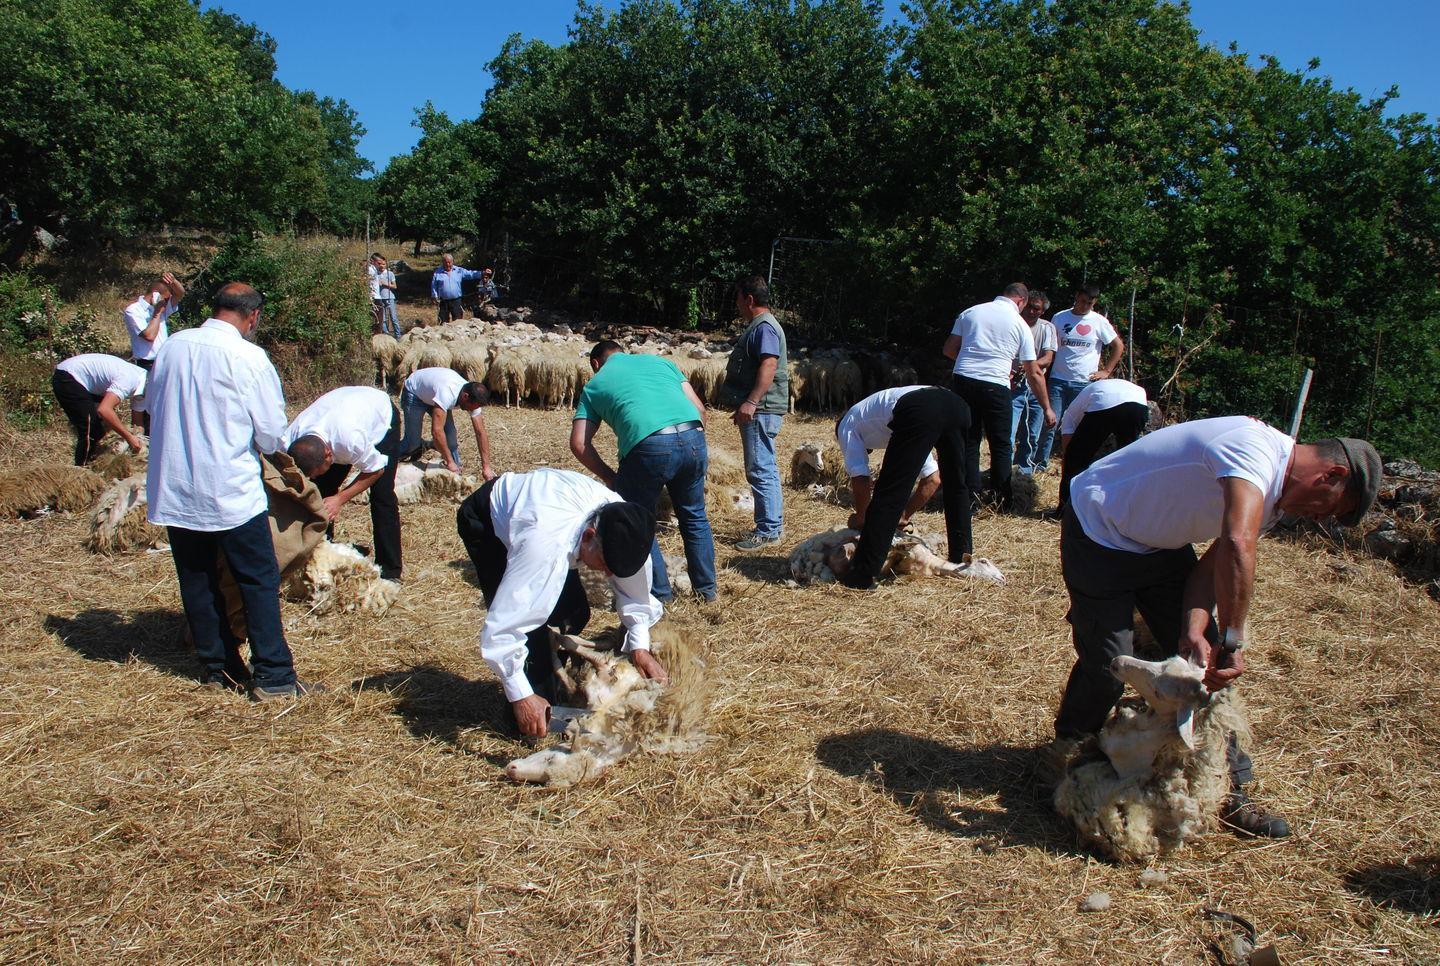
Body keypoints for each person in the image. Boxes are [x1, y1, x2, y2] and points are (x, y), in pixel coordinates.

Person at [1042, 416, 1382, 838]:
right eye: (1330, 508)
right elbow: (1238, 543)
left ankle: (1227, 788)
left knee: (1209, 670)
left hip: (1159, 547)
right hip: (1099, 530)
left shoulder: (1274, 503)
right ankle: (1069, 763)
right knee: (1108, 663)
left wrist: (1194, 630)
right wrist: (1235, 638)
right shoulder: (1253, 448)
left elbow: (1211, 569)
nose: (1318, 518)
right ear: (1333, 474)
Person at [145, 282, 317, 700]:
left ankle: (219, 669)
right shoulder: (248, 357)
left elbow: (150, 406)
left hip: (176, 487)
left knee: (198, 579)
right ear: (253, 316)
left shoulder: (172, 346)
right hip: (229, 491)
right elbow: (271, 434)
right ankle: (274, 677)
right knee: (256, 580)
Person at [455, 468, 666, 737]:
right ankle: (527, 716)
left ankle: (550, 676)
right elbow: (504, 630)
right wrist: (521, 695)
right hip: (488, 523)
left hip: (551, 512)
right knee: (532, 634)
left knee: (574, 613)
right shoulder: (544, 546)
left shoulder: (627, 528)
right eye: (605, 564)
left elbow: (635, 594)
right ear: (589, 536)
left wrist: (640, 648)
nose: (608, 575)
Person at [569, 340, 718, 603]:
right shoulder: (661, 363)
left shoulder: (595, 384)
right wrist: (690, 445)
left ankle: (660, 595)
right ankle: (706, 592)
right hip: (692, 435)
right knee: (694, 516)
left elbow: (579, 443)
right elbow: (700, 410)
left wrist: (609, 476)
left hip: (648, 445)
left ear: (595, 363)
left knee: (639, 522)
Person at [828, 386, 972, 590]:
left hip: (919, 407)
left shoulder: (846, 425)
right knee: (956, 485)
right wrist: (903, 516)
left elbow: (860, 478)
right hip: (957, 405)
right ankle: (962, 560)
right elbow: (934, 479)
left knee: (890, 492)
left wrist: (861, 518)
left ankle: (861, 576)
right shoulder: (889, 421)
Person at [942, 282, 1056, 510]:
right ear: (1021, 301)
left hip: (964, 380)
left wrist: (973, 361)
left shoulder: (971, 312)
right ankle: (1001, 501)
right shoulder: (1019, 324)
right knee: (1001, 443)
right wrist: (1046, 407)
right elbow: (1034, 372)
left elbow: (949, 349)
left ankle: (969, 498)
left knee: (969, 440)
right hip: (996, 384)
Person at [284, 386, 404, 581]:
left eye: (318, 470)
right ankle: (323, 551)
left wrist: (340, 499)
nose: (315, 476)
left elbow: (376, 470)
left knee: (382, 496)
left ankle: (390, 570)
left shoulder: (350, 440)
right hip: (344, 408)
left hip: (381, 416)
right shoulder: (292, 437)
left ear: (328, 455)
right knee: (321, 489)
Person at [718, 275, 789, 550]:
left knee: (760, 468)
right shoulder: (761, 326)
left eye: (738, 299)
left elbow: (769, 364)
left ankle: (768, 531)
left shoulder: (764, 327)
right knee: (764, 466)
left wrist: (751, 402)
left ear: (749, 299)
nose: (736, 305)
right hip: (760, 408)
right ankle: (772, 526)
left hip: (762, 409)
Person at [1036, 284, 1123, 467]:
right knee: (1050, 422)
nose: (1085, 306)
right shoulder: (1060, 317)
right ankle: (1040, 463)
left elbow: (1118, 346)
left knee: (1080, 427)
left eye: (1089, 303)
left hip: (1085, 382)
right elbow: (1050, 345)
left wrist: (1106, 371)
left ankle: (1075, 464)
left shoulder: (1098, 321)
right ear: (1076, 297)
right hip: (1058, 379)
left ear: (1094, 302)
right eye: (1082, 301)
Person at [1055, 378, 1149, 510]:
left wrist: (1068, 462)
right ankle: (1124, 509)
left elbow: (1068, 450)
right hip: (1139, 402)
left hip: (1105, 401)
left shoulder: (1069, 416)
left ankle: (1066, 508)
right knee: (1128, 460)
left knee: (1075, 459)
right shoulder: (1089, 393)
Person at [397, 366, 496, 479]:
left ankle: (453, 470)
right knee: (411, 444)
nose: (472, 410)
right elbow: (436, 431)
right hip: (415, 393)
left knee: (451, 439)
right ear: (465, 396)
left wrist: (486, 467)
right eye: (472, 407)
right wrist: (449, 462)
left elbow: (480, 432)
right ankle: (385, 460)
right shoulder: (448, 393)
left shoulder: (473, 398)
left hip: (434, 393)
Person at [51, 353, 147, 464]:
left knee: (102, 428)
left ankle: (96, 462)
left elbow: (137, 424)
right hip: (68, 375)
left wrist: (138, 440)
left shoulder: (145, 387)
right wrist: (129, 437)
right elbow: (104, 410)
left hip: (88, 384)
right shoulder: (129, 380)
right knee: (91, 429)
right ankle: (82, 469)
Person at [1011, 290, 1057, 474]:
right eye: (1029, 307)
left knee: (1032, 433)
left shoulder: (1046, 328)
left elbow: (1048, 358)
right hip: (1013, 383)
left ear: (1042, 311)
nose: (1031, 311)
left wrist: (1029, 366)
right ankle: (1004, 468)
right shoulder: (1013, 322)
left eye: (1036, 309)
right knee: (1009, 431)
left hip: (1036, 385)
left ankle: (1025, 470)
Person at [123, 272, 184, 372]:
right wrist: (157, 314)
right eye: (166, 299)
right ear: (155, 295)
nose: (167, 302)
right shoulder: (133, 310)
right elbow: (149, 336)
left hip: (164, 361)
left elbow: (180, 294)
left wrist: (173, 281)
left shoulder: (162, 306)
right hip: (147, 364)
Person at [430, 253, 483, 325]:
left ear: (452, 262)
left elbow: (470, 274)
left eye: (449, 262)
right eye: (445, 262)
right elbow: (434, 285)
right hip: (443, 301)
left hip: (456, 301)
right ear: (443, 262)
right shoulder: (437, 273)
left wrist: (482, 273)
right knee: (443, 321)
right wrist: (434, 296)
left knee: (458, 322)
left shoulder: (459, 270)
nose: (448, 264)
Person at [368, 254, 401, 338]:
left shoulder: (390, 274)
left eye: (383, 264)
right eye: (380, 264)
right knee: (383, 319)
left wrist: (385, 283)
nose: (381, 266)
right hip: (379, 297)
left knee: (393, 317)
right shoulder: (376, 272)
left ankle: (398, 335)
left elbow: (395, 286)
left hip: (389, 297)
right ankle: (386, 334)